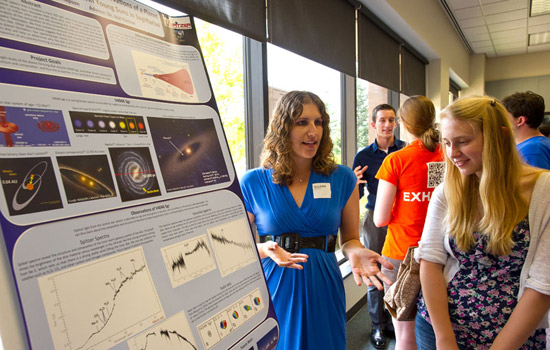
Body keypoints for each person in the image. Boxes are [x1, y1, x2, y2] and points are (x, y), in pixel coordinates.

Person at [240, 90, 393, 350]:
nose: (313, 131)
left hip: (323, 283)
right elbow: (234, 247)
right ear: (283, 128)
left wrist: (356, 251)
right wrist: (264, 249)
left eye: (318, 122)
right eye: (302, 122)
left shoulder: (343, 178)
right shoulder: (254, 181)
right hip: (276, 283)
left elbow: (350, 239)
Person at [415, 96, 550, 350]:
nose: (453, 153)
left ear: (498, 136)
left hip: (514, 336)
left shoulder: (543, 192)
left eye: (463, 142)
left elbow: (542, 285)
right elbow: (430, 261)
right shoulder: (447, 191)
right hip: (440, 328)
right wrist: (445, 340)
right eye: (446, 143)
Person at [373, 95, 444, 350]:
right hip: (440, 253)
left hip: (402, 254)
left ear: (402, 122)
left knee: (405, 333)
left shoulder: (396, 160)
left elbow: (380, 219)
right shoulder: (443, 156)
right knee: (439, 329)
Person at [352, 104, 406, 348]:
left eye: (391, 120)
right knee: (374, 271)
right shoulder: (363, 156)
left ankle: (397, 322)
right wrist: (354, 183)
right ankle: (377, 326)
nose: (387, 124)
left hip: (403, 218)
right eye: (382, 120)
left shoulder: (405, 149)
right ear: (373, 124)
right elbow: (357, 196)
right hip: (375, 219)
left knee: (403, 272)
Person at [502, 91, 550, 169]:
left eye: (506, 116)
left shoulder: (531, 151)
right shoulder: (539, 144)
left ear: (520, 120)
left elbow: (535, 181)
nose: (503, 120)